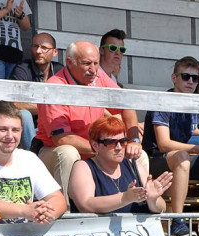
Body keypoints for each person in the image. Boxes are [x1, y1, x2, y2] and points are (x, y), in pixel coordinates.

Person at [35, 41, 144, 206]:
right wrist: (102, 148)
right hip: (53, 151)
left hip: (97, 148)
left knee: (139, 155)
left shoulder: (98, 76)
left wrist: (133, 140)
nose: (93, 69)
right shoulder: (54, 86)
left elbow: (126, 103)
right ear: (70, 62)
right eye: (87, 64)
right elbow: (62, 139)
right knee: (68, 153)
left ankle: (141, 207)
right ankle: (64, 214)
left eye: (96, 63)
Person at [143, 56, 199, 236]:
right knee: (182, 157)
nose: (191, 81)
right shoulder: (163, 101)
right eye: (186, 77)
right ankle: (177, 221)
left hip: (183, 160)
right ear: (174, 78)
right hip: (155, 159)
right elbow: (163, 144)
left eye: (195, 78)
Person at [0, 101, 67, 225]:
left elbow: (58, 199)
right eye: (3, 129)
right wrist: (24, 211)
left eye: (15, 130)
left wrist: (44, 214)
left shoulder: (29, 159)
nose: (10, 136)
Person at [68, 115, 172, 215]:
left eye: (123, 141)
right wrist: (125, 198)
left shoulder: (135, 166)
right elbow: (85, 205)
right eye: (111, 142)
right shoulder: (83, 167)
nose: (118, 147)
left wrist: (152, 199)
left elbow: (161, 208)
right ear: (95, 145)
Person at [8, 31, 63, 151]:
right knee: (25, 115)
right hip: (30, 127)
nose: (38, 51)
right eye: (35, 46)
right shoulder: (22, 68)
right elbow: (14, 103)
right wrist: (46, 108)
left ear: (55, 52)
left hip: (52, 126)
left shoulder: (60, 70)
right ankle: (33, 154)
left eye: (44, 48)